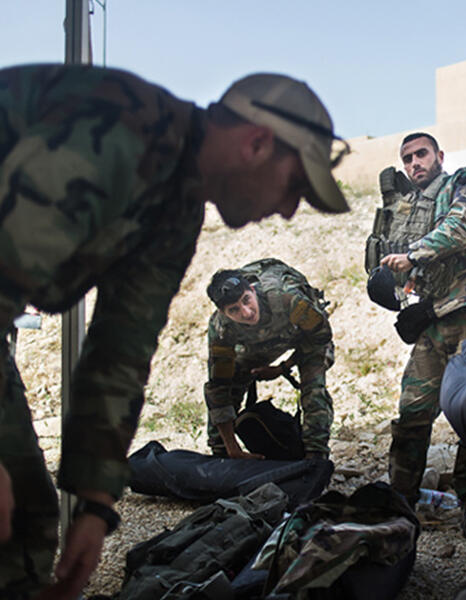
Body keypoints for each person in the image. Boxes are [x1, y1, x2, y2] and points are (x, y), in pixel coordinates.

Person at [0, 64, 350, 600]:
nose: (287, 208)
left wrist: (95, 502)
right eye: (294, 186)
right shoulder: (119, 134)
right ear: (257, 143)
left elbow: (121, 349)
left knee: (27, 519)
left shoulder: (176, 207)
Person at [380, 132, 466, 510]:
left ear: (439, 156)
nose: (415, 163)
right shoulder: (415, 208)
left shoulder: (464, 181)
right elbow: (414, 273)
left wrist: (412, 254)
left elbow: (464, 228)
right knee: (413, 411)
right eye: (408, 159)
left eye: (421, 154)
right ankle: (401, 497)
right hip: (434, 319)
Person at [204, 259, 334, 460]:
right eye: (234, 310)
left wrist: (283, 368)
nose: (246, 312)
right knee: (228, 384)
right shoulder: (222, 329)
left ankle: (316, 456)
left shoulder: (287, 298)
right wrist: (231, 449)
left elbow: (320, 337)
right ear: (223, 313)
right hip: (256, 345)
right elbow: (218, 387)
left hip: (303, 337)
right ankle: (222, 455)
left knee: (313, 388)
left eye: (246, 300)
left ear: (253, 291)